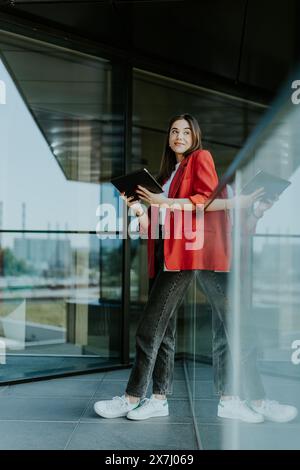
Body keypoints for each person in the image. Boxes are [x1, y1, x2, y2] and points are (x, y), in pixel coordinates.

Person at [93, 113, 297, 423]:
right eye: (174, 130)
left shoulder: (200, 158)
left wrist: (166, 202)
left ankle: (135, 397)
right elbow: (154, 226)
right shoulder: (166, 176)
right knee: (164, 332)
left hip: (194, 255)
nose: (179, 136)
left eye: (186, 131)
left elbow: (205, 199)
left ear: (195, 136)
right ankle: (158, 399)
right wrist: (138, 207)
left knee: (209, 327)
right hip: (168, 255)